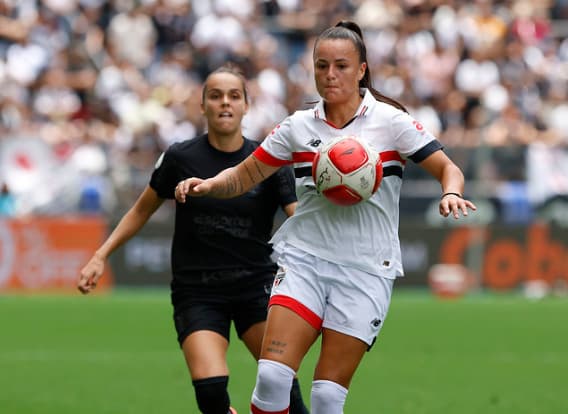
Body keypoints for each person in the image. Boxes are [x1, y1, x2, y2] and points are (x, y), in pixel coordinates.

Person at [175, 21, 477, 414]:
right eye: (321, 66)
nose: (330, 75)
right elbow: (245, 174)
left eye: (341, 66)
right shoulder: (298, 126)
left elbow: (447, 168)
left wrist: (451, 191)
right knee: (271, 377)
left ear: (362, 69)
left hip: (366, 270)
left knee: (326, 398)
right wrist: (209, 185)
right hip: (305, 261)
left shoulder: (392, 123)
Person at [77, 64, 310, 414]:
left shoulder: (267, 160)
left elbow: (300, 221)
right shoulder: (179, 157)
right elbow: (141, 210)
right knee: (212, 394)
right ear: (202, 106)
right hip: (198, 291)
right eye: (215, 96)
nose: (225, 103)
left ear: (247, 105)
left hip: (256, 288)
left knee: (283, 388)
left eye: (234, 96)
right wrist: (100, 254)